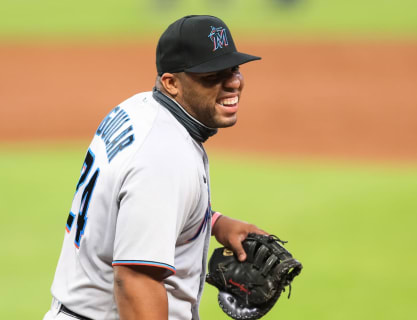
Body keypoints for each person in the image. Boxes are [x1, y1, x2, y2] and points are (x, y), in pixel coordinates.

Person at [43, 15, 266, 320]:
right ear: (171, 83)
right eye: (212, 75)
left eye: (234, 68)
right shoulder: (164, 157)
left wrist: (213, 223)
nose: (233, 82)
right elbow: (136, 281)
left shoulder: (138, 109)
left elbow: (132, 203)